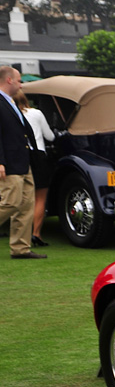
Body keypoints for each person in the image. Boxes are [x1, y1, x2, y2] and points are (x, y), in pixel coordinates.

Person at [0, 66, 43, 259]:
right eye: (18, 80)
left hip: (23, 162)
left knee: (26, 205)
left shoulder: (11, 102)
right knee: (11, 203)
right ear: (9, 80)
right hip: (9, 163)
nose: (21, 84)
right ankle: (20, 247)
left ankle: (20, 248)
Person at [14, 91, 53, 248]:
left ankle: (18, 234)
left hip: (17, 156)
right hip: (38, 155)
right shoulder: (36, 113)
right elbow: (49, 136)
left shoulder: (10, 115)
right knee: (40, 198)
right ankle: (36, 233)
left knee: (19, 198)